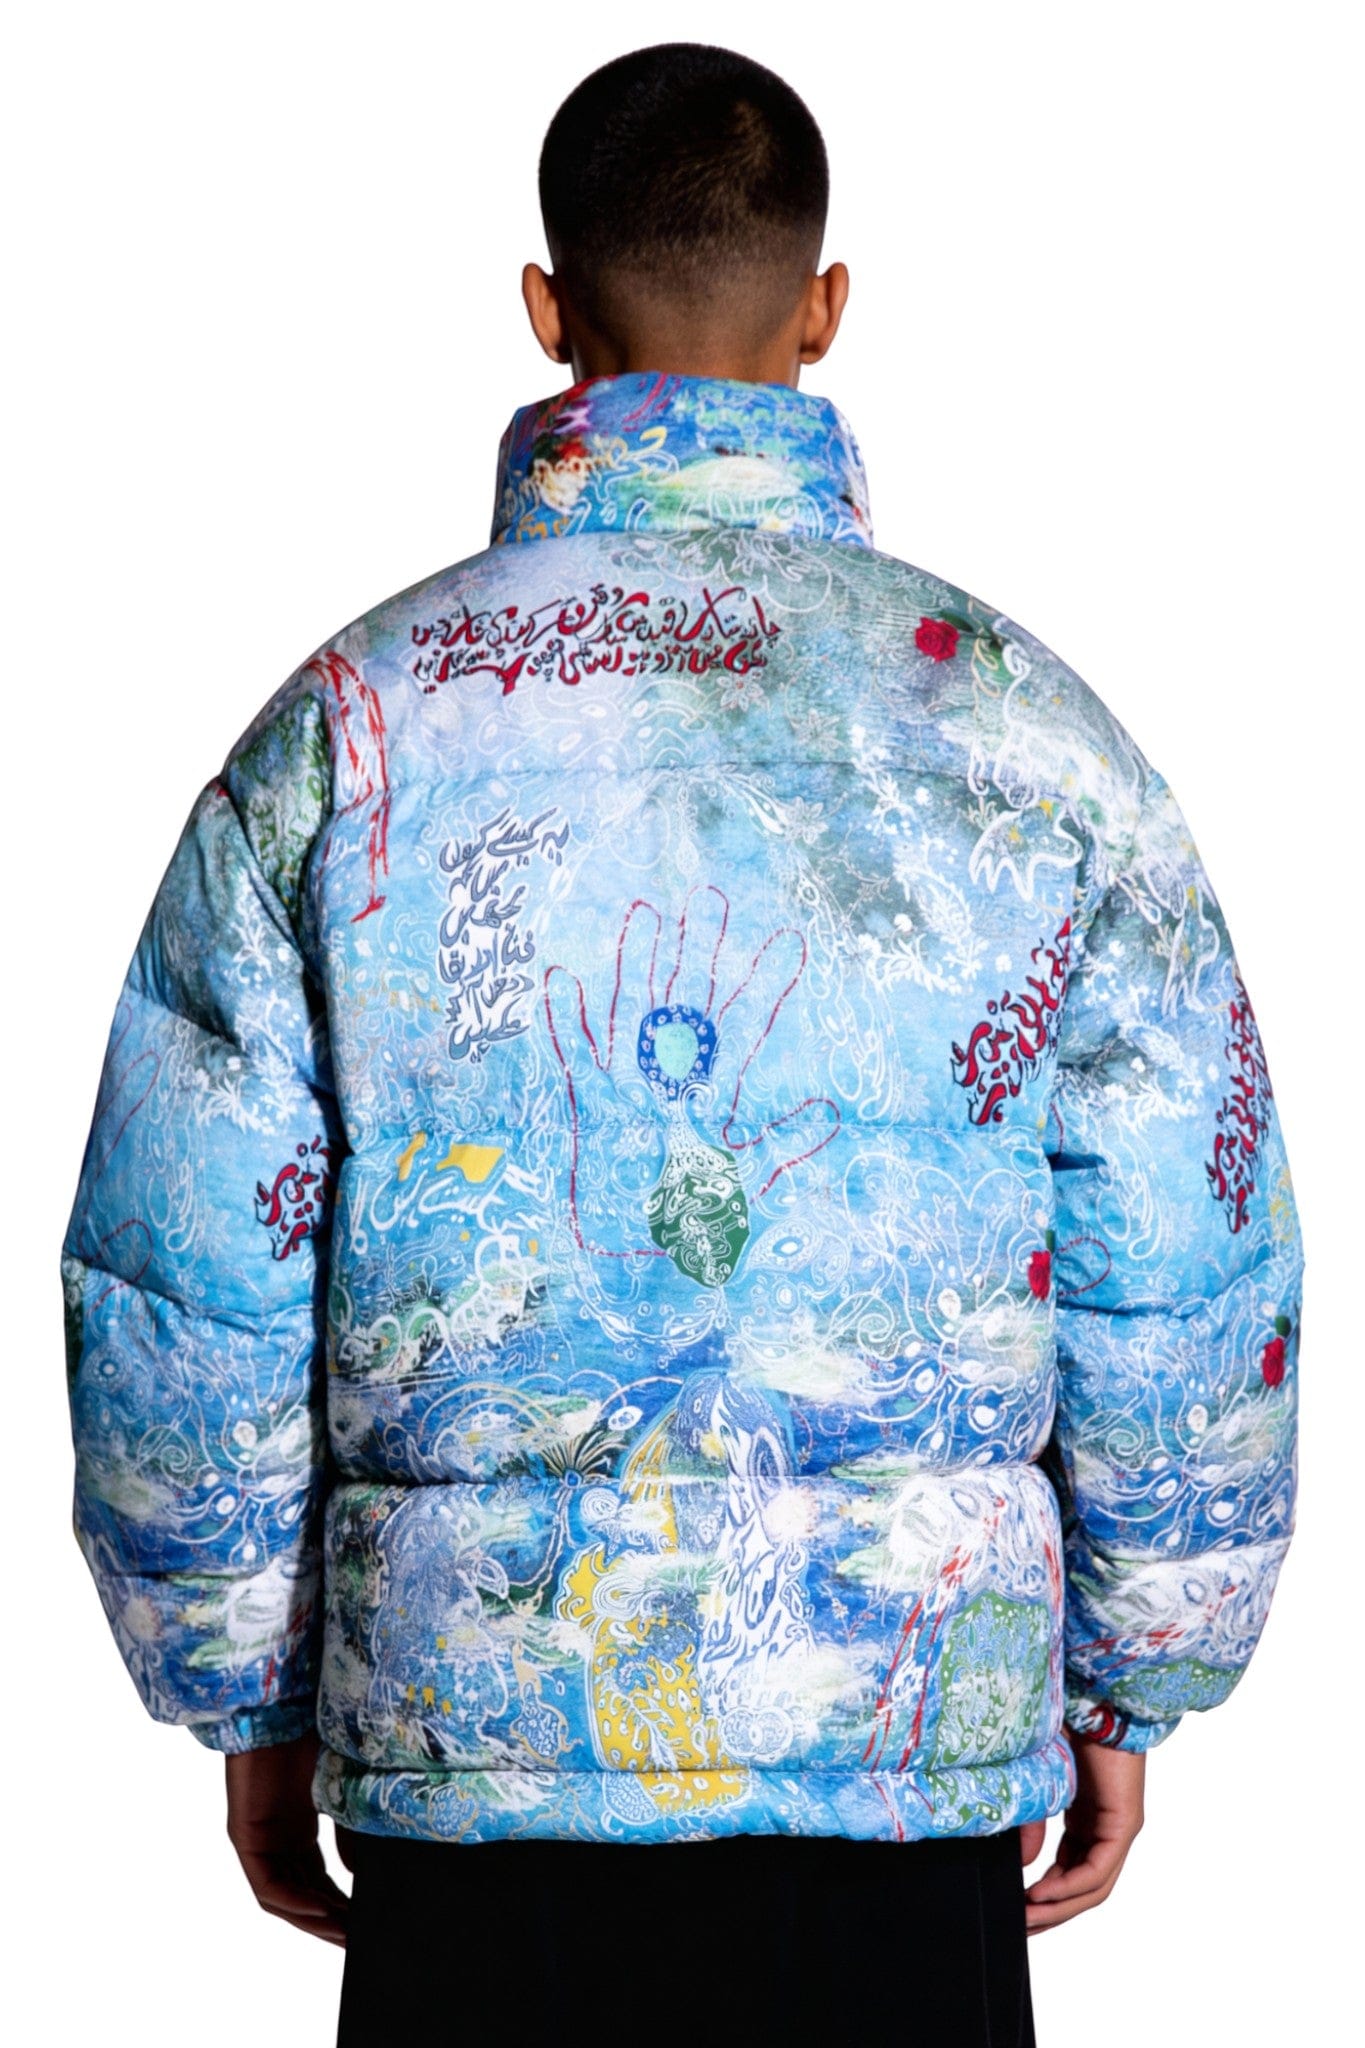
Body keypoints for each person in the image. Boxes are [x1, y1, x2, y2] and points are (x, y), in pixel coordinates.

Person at [62, 42, 1303, 2047]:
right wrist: (1126, 1678)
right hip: (899, 1750)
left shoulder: (345, 733)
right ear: (826, 310)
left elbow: (188, 1269)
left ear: (544, 308)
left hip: (478, 1771)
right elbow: (1182, 1239)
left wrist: (248, 1699)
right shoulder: (1022, 732)